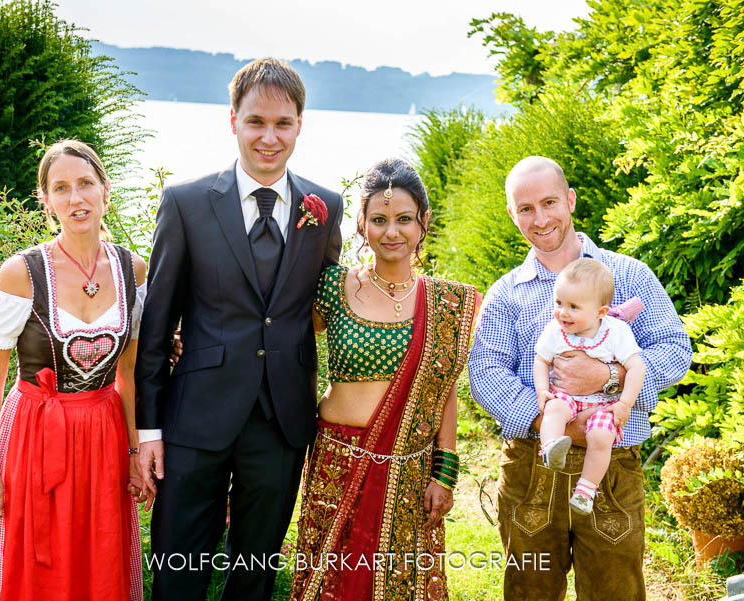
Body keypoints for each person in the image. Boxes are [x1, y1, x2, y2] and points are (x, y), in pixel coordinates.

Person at [134, 58, 343, 601]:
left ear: (300, 124)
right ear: (232, 120)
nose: (268, 138)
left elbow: (324, 302)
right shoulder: (186, 203)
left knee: (254, 571)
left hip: (281, 420)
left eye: (282, 124)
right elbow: (157, 324)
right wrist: (149, 431)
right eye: (256, 122)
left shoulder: (326, 209)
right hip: (195, 418)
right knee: (179, 567)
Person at [468, 156, 692, 601]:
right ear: (512, 214)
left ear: (569, 200)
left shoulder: (627, 275)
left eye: (549, 202)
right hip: (533, 468)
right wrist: (551, 423)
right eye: (526, 208)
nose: (541, 218)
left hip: (613, 467)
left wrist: (609, 377)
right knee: (529, 591)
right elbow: (486, 374)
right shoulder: (506, 293)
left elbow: (674, 348)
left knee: (615, 592)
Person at [289, 158, 479, 601]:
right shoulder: (333, 286)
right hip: (338, 461)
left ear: (423, 222)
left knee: (397, 586)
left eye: (404, 219)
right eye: (379, 219)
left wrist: (444, 473)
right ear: (361, 224)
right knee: (331, 583)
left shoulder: (449, 302)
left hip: (409, 468)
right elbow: (275, 335)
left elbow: (444, 390)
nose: (391, 232)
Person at [0, 139, 147, 601]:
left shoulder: (134, 271)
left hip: (104, 437)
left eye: (86, 184)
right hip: (34, 436)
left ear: (106, 190)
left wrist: (134, 451)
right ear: (45, 200)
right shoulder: (21, 274)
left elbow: (128, 373)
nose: (76, 198)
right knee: (35, 564)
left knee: (99, 559)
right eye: (61, 188)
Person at [533, 258, 646, 514]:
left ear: (601, 312)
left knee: (601, 437)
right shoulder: (554, 331)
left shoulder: (616, 332)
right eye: (559, 303)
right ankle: (551, 448)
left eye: (573, 307)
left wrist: (624, 404)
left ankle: (585, 490)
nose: (563, 312)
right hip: (567, 396)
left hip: (602, 404)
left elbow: (636, 367)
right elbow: (541, 360)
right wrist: (542, 390)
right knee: (554, 409)